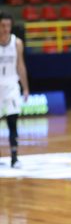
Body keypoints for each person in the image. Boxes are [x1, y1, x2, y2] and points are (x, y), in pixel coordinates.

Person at [0, 12, 29, 169]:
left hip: (11, 86)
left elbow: (20, 65)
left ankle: (14, 158)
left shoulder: (17, 43)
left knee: (12, 122)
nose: (6, 29)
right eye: (3, 25)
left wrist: (25, 88)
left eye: (8, 26)